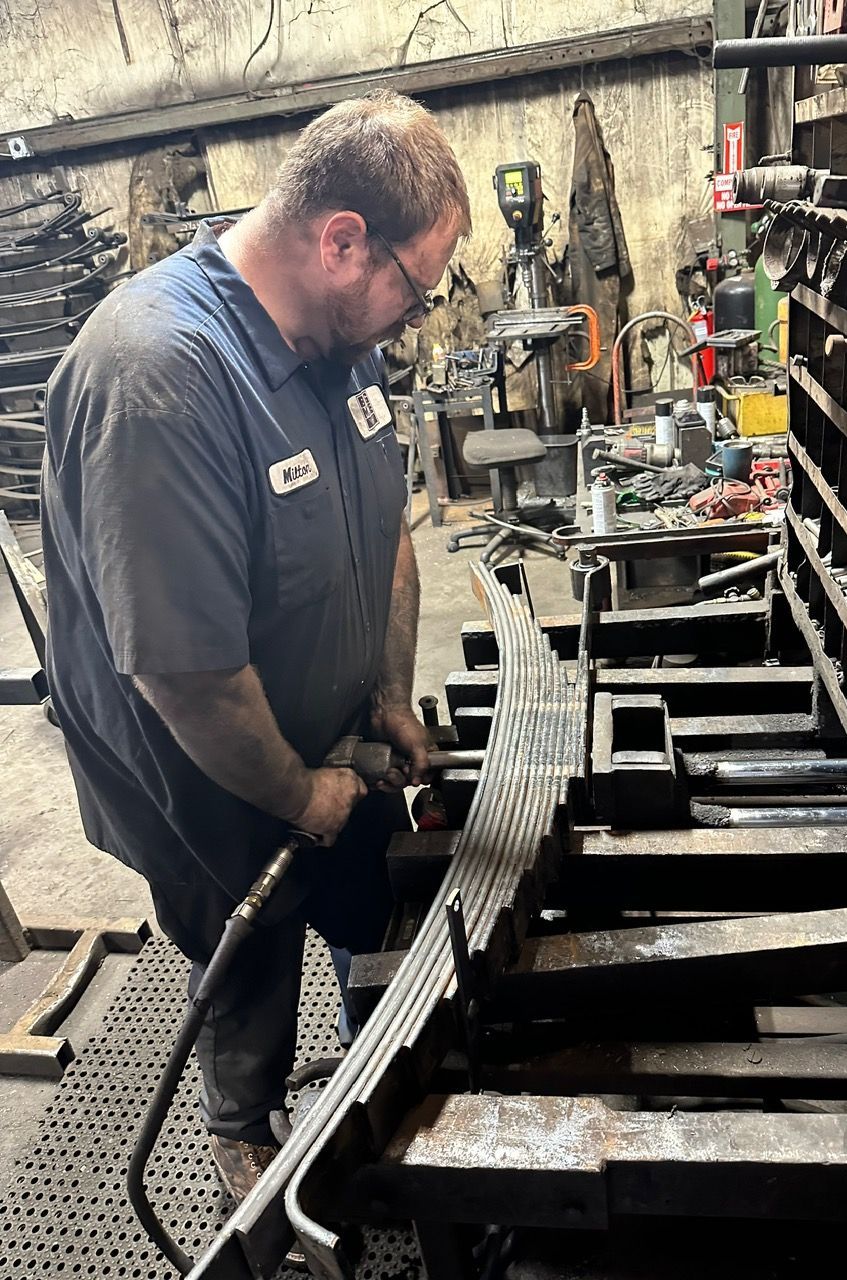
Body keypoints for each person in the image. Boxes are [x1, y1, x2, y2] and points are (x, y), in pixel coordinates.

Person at [40, 90, 471, 1207]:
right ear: (343, 241)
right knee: (249, 941)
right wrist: (298, 792)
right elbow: (184, 675)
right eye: (415, 287)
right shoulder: (158, 376)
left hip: (326, 727)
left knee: (369, 887)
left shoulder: (339, 344)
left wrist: (389, 693)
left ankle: (379, 1075)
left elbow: (387, 531)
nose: (414, 318)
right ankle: (245, 1135)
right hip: (197, 765)